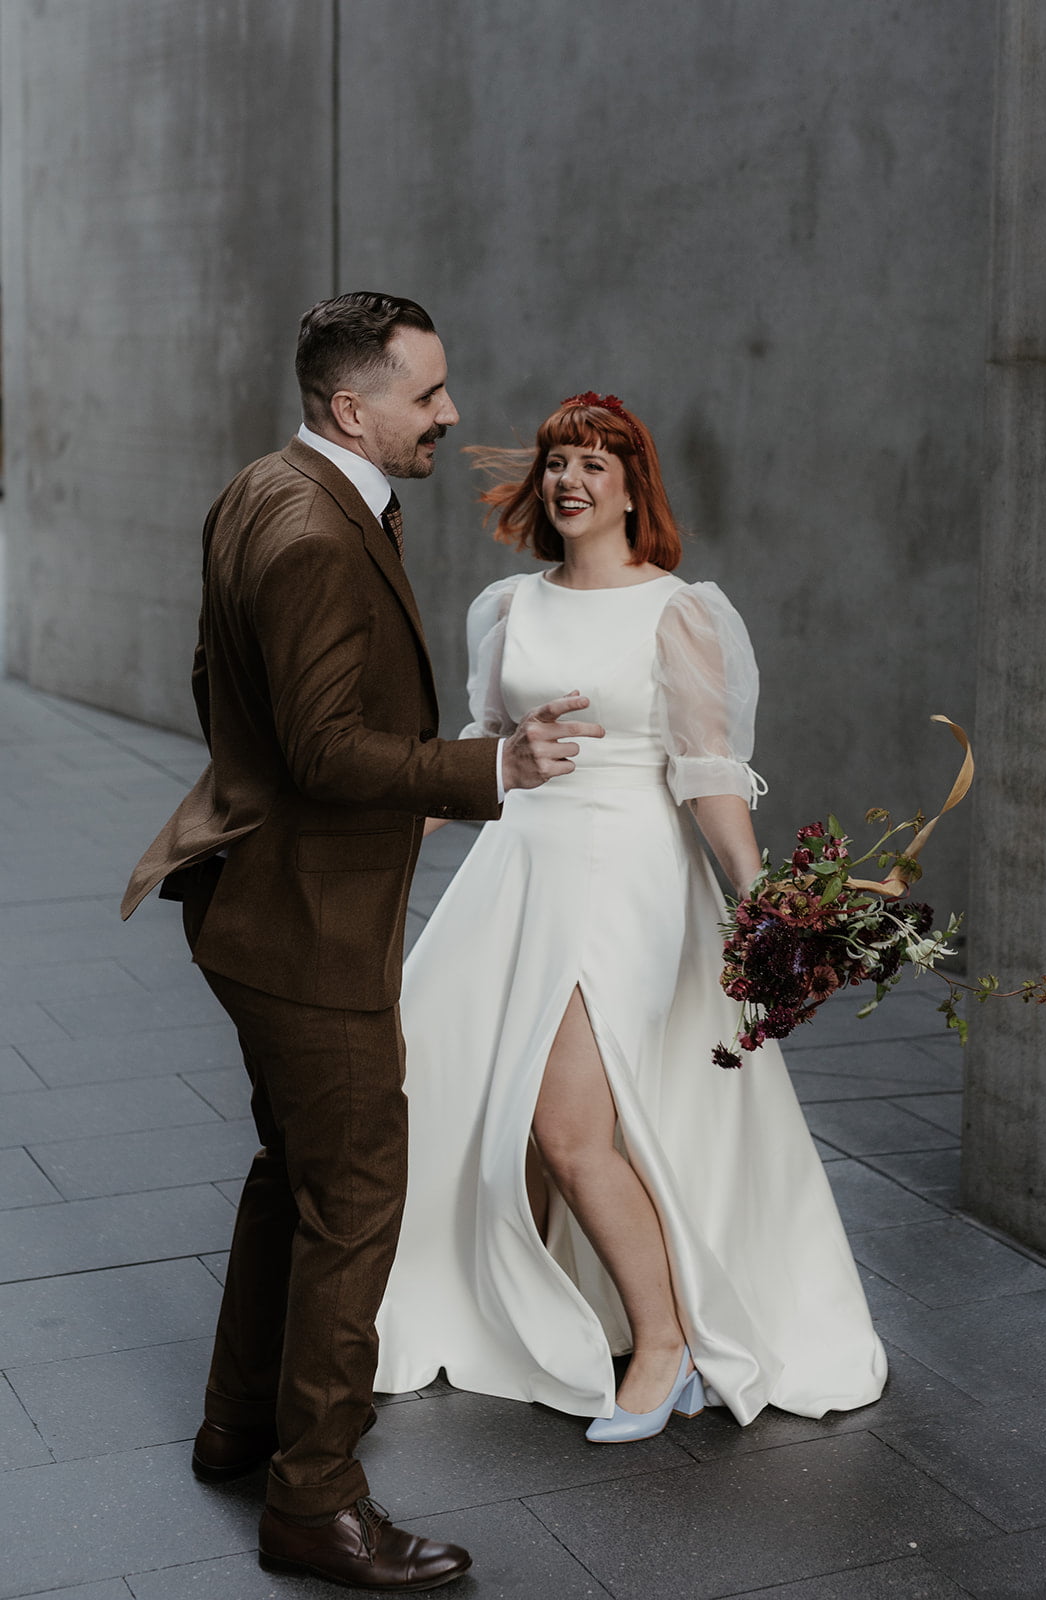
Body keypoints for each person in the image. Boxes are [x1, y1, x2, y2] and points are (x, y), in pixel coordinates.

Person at [120, 295, 603, 1592]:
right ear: (352, 408)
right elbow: (328, 749)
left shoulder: (262, 488)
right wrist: (492, 767)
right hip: (304, 927)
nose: (451, 413)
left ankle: (243, 1425)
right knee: (355, 1197)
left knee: (292, 1171)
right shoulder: (311, 533)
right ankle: (315, 1503)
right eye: (427, 395)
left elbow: (220, 683)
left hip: (261, 902)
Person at [374, 392, 887, 1438]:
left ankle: (667, 1343)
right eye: (557, 461)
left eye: (594, 465)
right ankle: (523, 1305)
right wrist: (374, 832)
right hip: (518, 873)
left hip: (626, 880)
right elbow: (483, 754)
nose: (569, 480)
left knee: (570, 1129)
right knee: (459, 1085)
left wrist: (768, 906)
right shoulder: (507, 607)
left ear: (631, 489)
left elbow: (707, 772)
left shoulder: (676, 611)